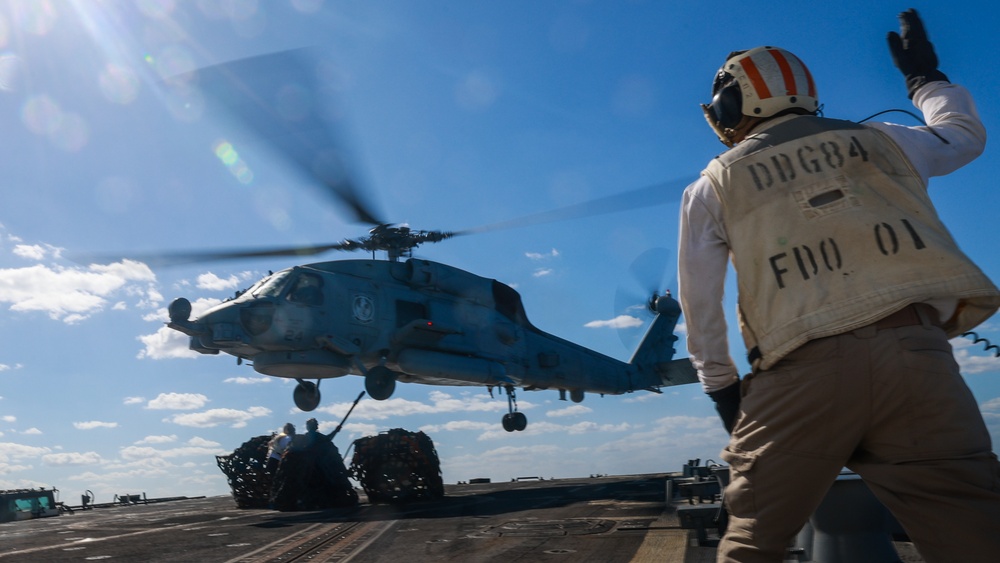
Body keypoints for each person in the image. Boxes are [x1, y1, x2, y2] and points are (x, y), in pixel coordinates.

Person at [677, 9, 1000, 562]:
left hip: (801, 372)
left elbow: (701, 311)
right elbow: (963, 137)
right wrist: (926, 79)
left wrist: (728, 399)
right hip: (919, 360)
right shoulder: (884, 140)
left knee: (752, 541)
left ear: (735, 105)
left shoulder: (712, 186)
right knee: (979, 537)